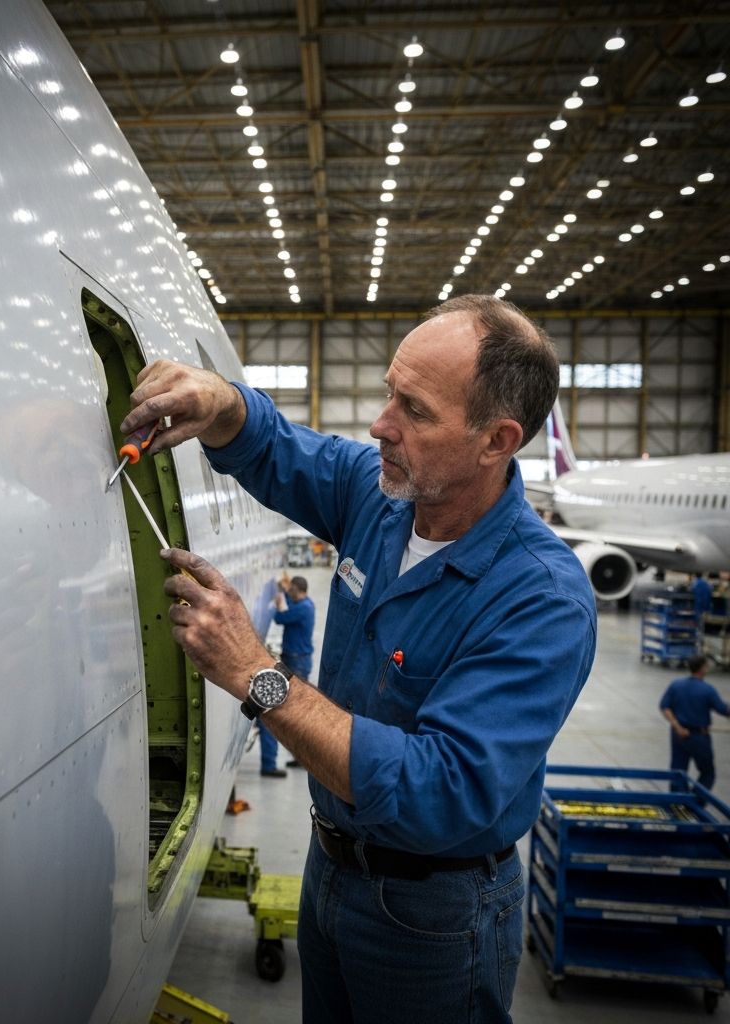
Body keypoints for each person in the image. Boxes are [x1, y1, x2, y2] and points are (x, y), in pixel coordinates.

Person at [120, 294, 596, 1024]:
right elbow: (279, 448)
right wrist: (220, 404)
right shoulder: (386, 500)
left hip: (432, 915)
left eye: (415, 409)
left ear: (496, 441)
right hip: (330, 868)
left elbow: (441, 790)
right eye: (387, 393)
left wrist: (256, 672)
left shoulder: (541, 599)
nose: (381, 424)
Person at [258, 575, 316, 775]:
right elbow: (288, 604)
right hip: (296, 660)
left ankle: (275, 762)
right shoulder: (304, 603)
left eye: (291, 590)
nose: (289, 594)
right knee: (295, 711)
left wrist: (278, 597)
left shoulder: (304, 608)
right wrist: (284, 592)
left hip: (297, 662)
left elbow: (280, 617)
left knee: (285, 709)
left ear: (297, 590)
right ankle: (299, 758)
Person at [660, 654, 728, 793]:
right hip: (698, 737)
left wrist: (677, 727)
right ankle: (695, 802)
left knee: (677, 772)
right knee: (708, 773)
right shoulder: (707, 690)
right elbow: (723, 709)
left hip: (678, 735)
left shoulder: (676, 685)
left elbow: (664, 707)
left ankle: (678, 805)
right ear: (703, 669)